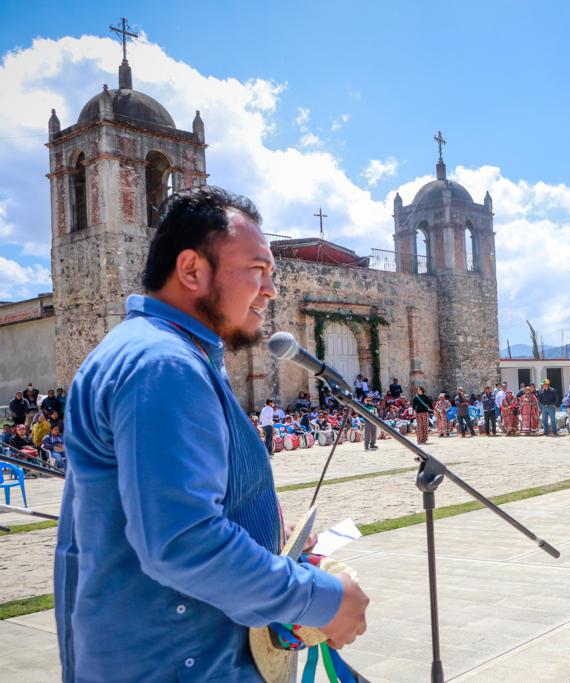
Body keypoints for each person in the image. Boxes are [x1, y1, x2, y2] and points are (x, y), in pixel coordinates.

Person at [55, 186, 368, 681]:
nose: (271, 290)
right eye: (258, 269)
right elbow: (182, 540)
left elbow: (169, 508)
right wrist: (323, 599)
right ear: (192, 270)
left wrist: (264, 531)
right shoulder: (163, 364)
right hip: (177, 662)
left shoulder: (167, 354)